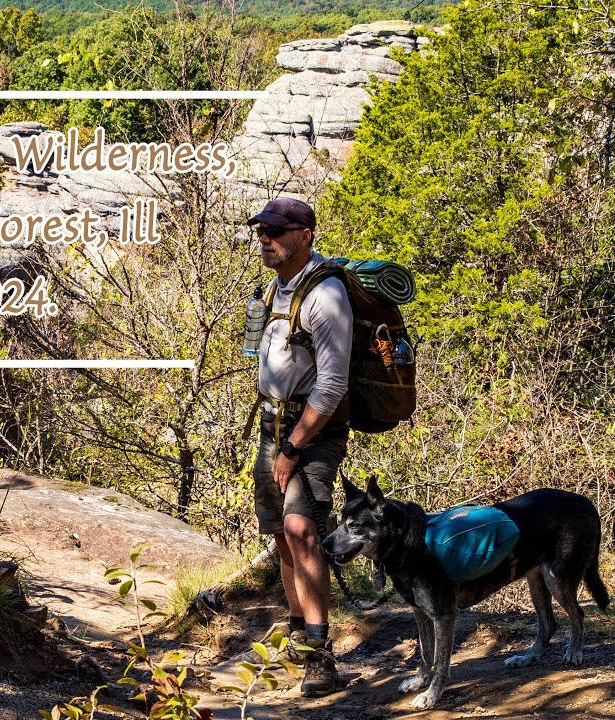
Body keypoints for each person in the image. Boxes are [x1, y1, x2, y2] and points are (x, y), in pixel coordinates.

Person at [247, 197, 352, 697]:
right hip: (273, 427)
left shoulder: (325, 294)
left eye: (275, 230)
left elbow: (331, 388)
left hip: (311, 432)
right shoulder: (273, 289)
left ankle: (320, 655)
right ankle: (296, 633)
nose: (264, 238)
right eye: (261, 230)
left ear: (304, 235)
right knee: (280, 535)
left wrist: (291, 447)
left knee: (302, 529)